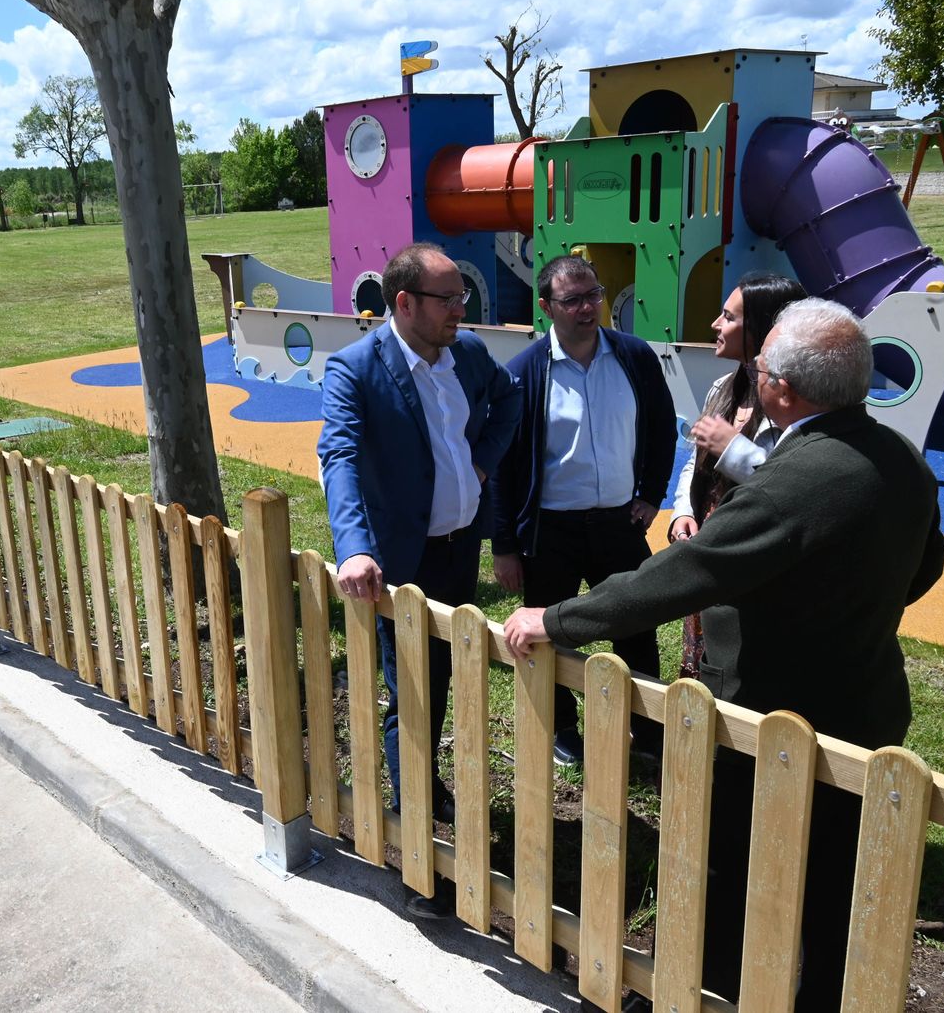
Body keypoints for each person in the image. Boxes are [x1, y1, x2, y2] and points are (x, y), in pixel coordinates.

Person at [502, 299, 944, 1010]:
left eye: (763, 365)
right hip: (868, 708)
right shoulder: (901, 459)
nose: (756, 373)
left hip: (771, 718)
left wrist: (556, 617)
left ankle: (703, 994)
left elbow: (679, 577)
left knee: (733, 872)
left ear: (782, 392)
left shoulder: (791, 483)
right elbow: (925, 568)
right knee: (836, 881)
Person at [317, 241, 520, 918]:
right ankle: (417, 857)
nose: (461, 310)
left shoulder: (466, 355)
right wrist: (353, 546)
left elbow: (507, 400)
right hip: (402, 561)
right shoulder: (356, 368)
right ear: (403, 304)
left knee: (446, 679)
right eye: (448, 300)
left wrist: (483, 461)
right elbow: (339, 454)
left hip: (459, 553)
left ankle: (426, 783)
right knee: (412, 694)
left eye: (462, 298)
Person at [489, 254, 676, 765]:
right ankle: (563, 730)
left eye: (593, 294)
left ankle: (650, 734)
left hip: (619, 523)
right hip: (552, 531)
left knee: (636, 627)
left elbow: (662, 429)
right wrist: (504, 545)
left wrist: (652, 494)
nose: (588, 307)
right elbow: (502, 468)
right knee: (550, 634)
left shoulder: (634, 357)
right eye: (572, 300)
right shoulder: (524, 373)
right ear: (547, 306)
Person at [665, 273, 807, 676]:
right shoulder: (723, 388)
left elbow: (796, 487)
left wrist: (733, 449)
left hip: (757, 556)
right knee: (703, 663)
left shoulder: (792, 400)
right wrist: (682, 512)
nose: (715, 324)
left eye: (728, 317)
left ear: (762, 328)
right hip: (713, 549)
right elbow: (697, 463)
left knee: (743, 664)